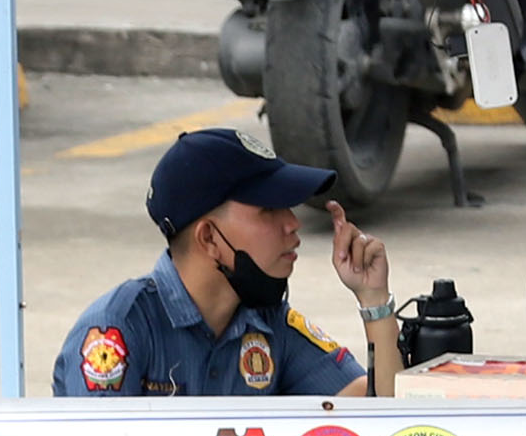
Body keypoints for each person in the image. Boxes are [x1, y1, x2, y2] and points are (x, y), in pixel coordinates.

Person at [55, 128, 404, 397]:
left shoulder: (270, 325)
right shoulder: (119, 328)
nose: (292, 223)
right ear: (208, 238)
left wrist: (374, 300)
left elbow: (381, 418)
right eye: (268, 209)